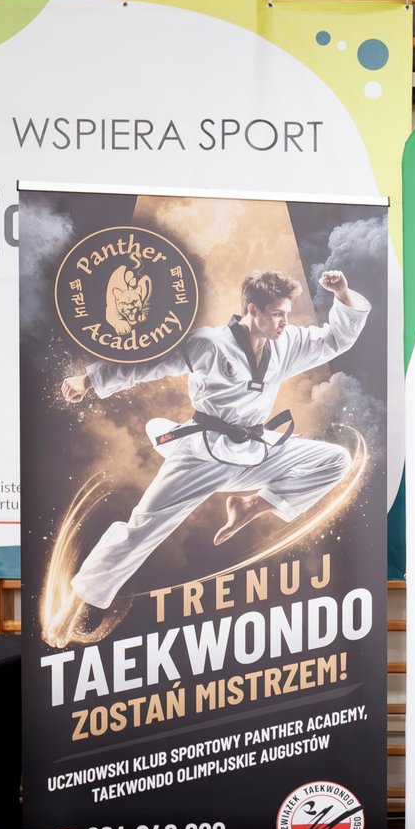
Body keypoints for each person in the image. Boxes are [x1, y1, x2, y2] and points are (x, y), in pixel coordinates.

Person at [47, 269, 369, 646]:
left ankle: (249, 505)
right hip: (202, 454)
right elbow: (149, 361)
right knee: (143, 527)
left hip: (254, 448)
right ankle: (74, 605)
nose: (285, 321)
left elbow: (334, 339)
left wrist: (342, 293)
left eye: (287, 313)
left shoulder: (287, 342)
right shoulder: (210, 343)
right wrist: (89, 380)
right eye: (277, 313)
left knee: (334, 460)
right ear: (253, 309)